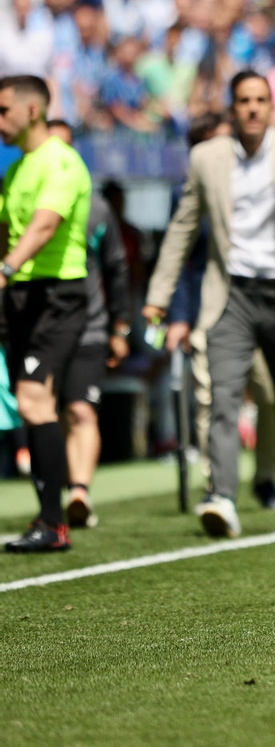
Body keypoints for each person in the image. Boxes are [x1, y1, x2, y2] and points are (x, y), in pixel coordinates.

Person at [145, 71, 275, 538]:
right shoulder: (207, 157)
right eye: (244, 100)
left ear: (271, 105)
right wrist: (158, 297)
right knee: (221, 397)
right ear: (233, 107)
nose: (253, 108)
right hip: (230, 293)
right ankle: (221, 495)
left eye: (261, 99)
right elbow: (183, 228)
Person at [164, 112, 275, 514]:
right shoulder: (188, 188)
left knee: (269, 395)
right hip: (208, 310)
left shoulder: (255, 179)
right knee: (212, 399)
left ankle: (266, 477)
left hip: (262, 304)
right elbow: (180, 257)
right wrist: (177, 316)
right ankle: (218, 486)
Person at [0, 76, 94, 553]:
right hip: (20, 295)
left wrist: (6, 268)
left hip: (58, 293)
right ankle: (49, 518)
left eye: (3, 110)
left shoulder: (62, 161)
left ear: (32, 110)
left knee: (34, 399)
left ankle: (54, 523)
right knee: (30, 402)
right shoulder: (17, 169)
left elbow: (44, 225)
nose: (0, 121)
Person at [46, 121, 133, 531]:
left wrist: (120, 326)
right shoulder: (22, 198)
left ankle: (79, 490)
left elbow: (117, 268)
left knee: (82, 410)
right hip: (44, 326)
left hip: (91, 327)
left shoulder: (96, 206)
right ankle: (61, 489)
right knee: (55, 413)